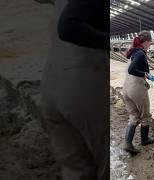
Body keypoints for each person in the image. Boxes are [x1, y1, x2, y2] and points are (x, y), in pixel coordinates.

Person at [40, 0, 108, 179]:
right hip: (85, 86)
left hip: (51, 84)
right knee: (107, 168)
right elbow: (68, 26)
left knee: (76, 170)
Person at [122, 31, 154, 155]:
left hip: (126, 89)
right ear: (146, 41)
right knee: (145, 115)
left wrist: (151, 77)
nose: (150, 44)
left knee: (134, 116)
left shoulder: (132, 52)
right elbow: (132, 69)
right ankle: (144, 140)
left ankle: (127, 143)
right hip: (137, 89)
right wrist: (146, 75)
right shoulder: (140, 53)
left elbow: (134, 68)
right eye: (150, 42)